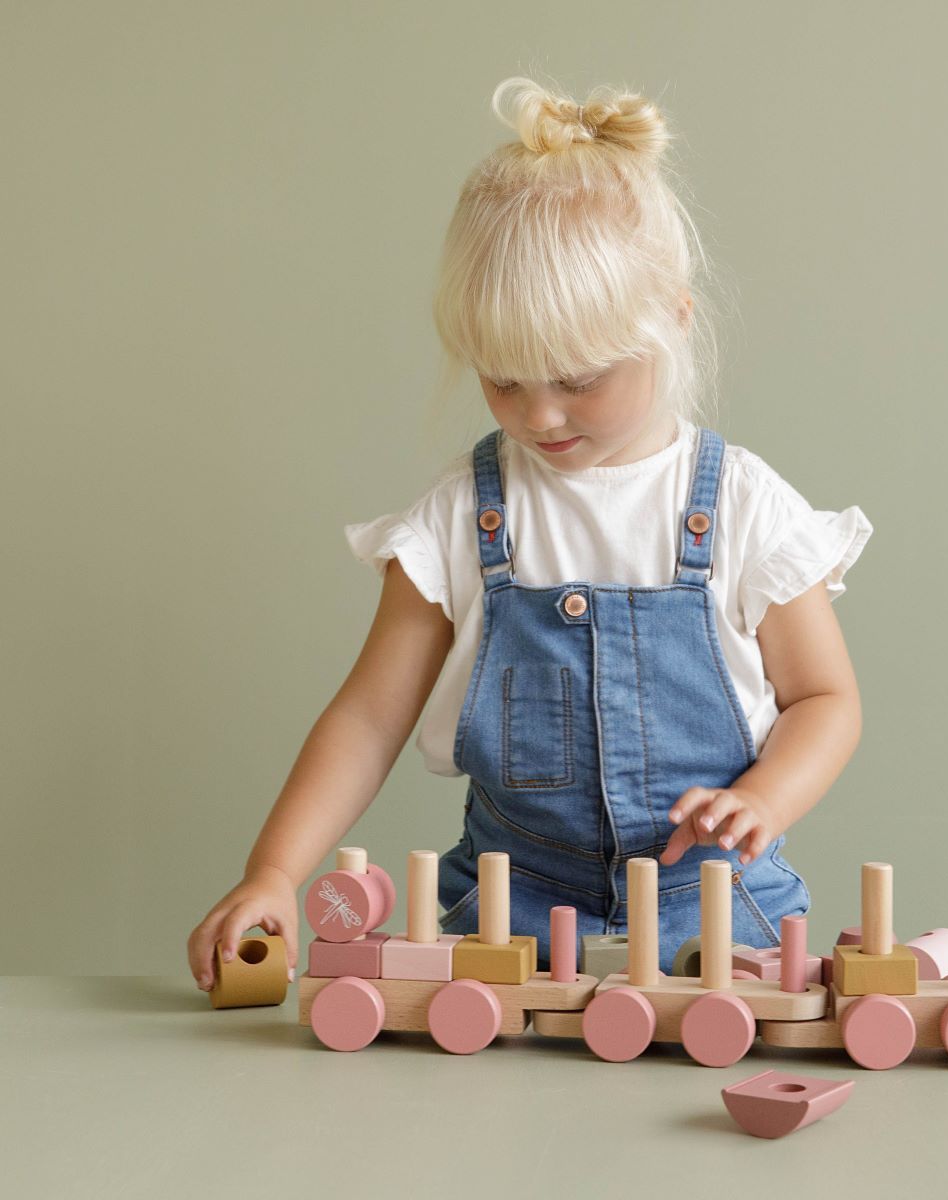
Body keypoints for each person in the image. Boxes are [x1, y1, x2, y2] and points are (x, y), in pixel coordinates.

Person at [188, 76, 873, 988]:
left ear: (672, 319)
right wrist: (274, 870)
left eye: (578, 376)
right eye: (503, 379)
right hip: (508, 914)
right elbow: (366, 716)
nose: (541, 413)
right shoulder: (461, 517)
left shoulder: (744, 505)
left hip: (711, 908)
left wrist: (764, 796)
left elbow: (826, 701)